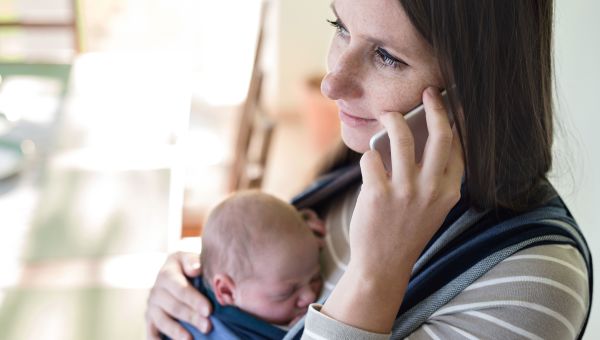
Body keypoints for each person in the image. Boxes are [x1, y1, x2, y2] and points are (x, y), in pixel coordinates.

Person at [146, 1, 593, 339]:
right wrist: (194, 292)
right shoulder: (366, 168)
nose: (331, 82)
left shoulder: (534, 287)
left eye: (386, 57)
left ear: (474, 90)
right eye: (340, 26)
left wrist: (376, 273)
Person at [176, 190, 323, 339]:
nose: (310, 296)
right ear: (226, 291)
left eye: (315, 277)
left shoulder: (262, 281)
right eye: (286, 292)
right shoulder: (217, 331)